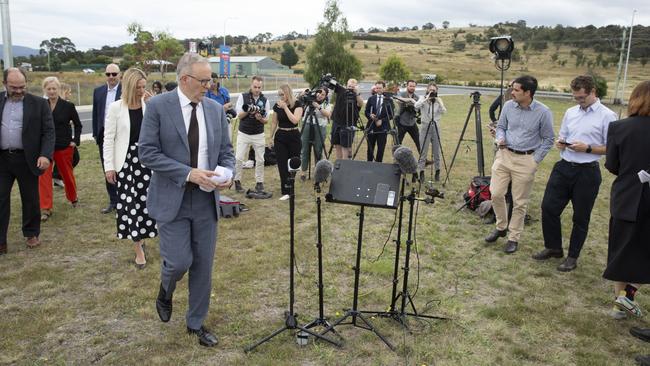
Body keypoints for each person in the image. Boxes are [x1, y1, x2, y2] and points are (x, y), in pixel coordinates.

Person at [139, 52, 234, 347]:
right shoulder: (158, 106)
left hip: (206, 201)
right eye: (204, 80)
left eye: (211, 80)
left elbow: (226, 152)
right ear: (185, 79)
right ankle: (166, 290)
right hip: (172, 198)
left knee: (203, 265)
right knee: (179, 261)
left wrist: (228, 172)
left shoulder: (215, 111)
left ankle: (196, 323)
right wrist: (188, 173)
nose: (209, 85)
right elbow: (147, 152)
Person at [534, 75, 617, 272]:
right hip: (564, 167)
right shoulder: (571, 112)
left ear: (593, 92)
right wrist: (561, 143)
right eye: (576, 97)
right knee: (548, 208)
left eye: (582, 98)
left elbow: (612, 148)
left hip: (587, 172)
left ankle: (572, 256)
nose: (578, 101)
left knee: (580, 217)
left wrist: (587, 148)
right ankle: (553, 247)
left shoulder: (608, 116)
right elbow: (563, 134)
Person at [484, 75, 554, 254]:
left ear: (528, 93)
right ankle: (501, 227)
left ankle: (513, 237)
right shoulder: (508, 106)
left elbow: (548, 139)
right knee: (496, 193)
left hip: (526, 160)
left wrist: (534, 160)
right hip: (504, 155)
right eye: (512, 89)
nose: (512, 92)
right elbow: (501, 127)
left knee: (519, 202)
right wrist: (500, 138)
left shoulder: (543, 112)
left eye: (516, 90)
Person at [602, 80, 650, 321]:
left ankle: (619, 304)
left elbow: (612, 165)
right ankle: (629, 295)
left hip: (626, 196)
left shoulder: (619, 127)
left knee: (620, 250)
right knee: (645, 252)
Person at [103, 68, 156, 269]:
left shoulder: (149, 105)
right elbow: (109, 139)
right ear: (129, 87)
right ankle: (138, 248)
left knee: (147, 202)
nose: (142, 90)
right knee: (130, 204)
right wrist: (109, 167)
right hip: (125, 163)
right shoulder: (116, 108)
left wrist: (153, 105)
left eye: (144, 86)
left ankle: (143, 235)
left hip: (147, 161)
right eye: (138, 87)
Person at [0, 68, 55, 254]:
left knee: (30, 199)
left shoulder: (39, 104)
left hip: (27, 159)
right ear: (4, 84)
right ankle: (1, 241)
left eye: (22, 87)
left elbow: (49, 131)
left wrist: (45, 155)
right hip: (3, 159)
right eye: (13, 87)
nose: (18, 91)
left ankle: (31, 233)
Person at [38, 77, 82, 222]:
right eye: (49, 89)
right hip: (45, 148)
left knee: (67, 175)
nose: (51, 91)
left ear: (59, 89)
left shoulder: (68, 106)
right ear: (45, 90)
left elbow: (78, 125)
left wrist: (75, 141)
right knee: (43, 178)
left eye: (54, 88)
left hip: (63, 146)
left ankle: (73, 198)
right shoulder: (41, 105)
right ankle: (46, 208)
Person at [92, 64, 122, 214]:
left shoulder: (125, 90)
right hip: (104, 136)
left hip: (122, 136)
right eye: (108, 74)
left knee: (121, 168)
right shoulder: (98, 92)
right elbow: (96, 114)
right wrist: (96, 134)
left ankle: (124, 200)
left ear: (119, 74)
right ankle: (113, 201)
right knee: (108, 169)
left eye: (114, 74)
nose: (111, 77)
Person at [233, 76, 270, 194]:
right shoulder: (242, 97)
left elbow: (267, 120)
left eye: (259, 87)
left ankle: (259, 182)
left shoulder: (265, 100)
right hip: (244, 132)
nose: (257, 89)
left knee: (260, 160)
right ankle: (237, 181)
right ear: (251, 85)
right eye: (255, 87)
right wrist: (249, 110)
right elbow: (239, 115)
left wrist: (260, 118)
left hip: (258, 133)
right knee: (239, 158)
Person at [270, 84, 303, 200]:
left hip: (293, 135)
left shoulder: (298, 104)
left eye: (282, 94)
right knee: (282, 163)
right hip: (281, 136)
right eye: (279, 94)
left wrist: (285, 108)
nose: (280, 97)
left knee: (293, 162)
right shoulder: (277, 106)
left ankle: (291, 187)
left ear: (288, 93)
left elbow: (295, 120)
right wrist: (270, 136)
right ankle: (286, 189)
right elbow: (274, 122)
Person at [415, 82, 446, 181]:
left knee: (437, 151)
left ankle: (437, 171)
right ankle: (421, 171)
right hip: (425, 126)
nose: (432, 91)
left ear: (437, 91)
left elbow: (444, 111)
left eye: (434, 90)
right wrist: (426, 98)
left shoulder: (438, 100)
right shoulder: (422, 98)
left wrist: (439, 102)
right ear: (427, 90)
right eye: (430, 89)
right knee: (423, 151)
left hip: (435, 126)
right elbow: (416, 106)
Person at [299, 87, 331, 180]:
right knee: (304, 149)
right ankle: (303, 172)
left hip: (320, 127)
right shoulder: (309, 99)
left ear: (325, 96)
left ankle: (318, 173)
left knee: (318, 150)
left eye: (323, 94)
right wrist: (302, 94)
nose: (319, 95)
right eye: (319, 93)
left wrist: (318, 106)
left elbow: (328, 114)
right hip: (307, 124)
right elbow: (296, 101)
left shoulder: (326, 104)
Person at [330, 78, 363, 160]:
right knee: (337, 144)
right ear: (346, 85)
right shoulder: (341, 90)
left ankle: (345, 166)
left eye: (352, 87)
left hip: (348, 124)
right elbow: (333, 84)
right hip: (337, 122)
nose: (350, 88)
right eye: (349, 86)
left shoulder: (356, 95)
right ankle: (339, 164)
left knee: (346, 147)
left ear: (356, 87)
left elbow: (360, 104)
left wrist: (357, 93)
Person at [364, 80, 393, 162]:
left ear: (384, 88)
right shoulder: (371, 99)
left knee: (381, 148)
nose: (378, 90)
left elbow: (391, 115)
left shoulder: (388, 100)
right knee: (370, 148)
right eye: (377, 88)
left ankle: (378, 165)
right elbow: (366, 111)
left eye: (380, 88)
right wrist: (370, 115)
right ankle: (369, 164)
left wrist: (382, 120)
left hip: (383, 128)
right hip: (371, 126)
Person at [395, 80, 421, 153]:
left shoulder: (417, 97)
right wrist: (410, 100)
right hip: (401, 122)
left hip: (412, 122)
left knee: (419, 141)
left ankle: (423, 160)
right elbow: (397, 100)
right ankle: (396, 160)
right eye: (410, 86)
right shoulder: (402, 94)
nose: (412, 88)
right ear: (407, 86)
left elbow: (419, 107)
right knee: (398, 143)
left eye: (413, 86)